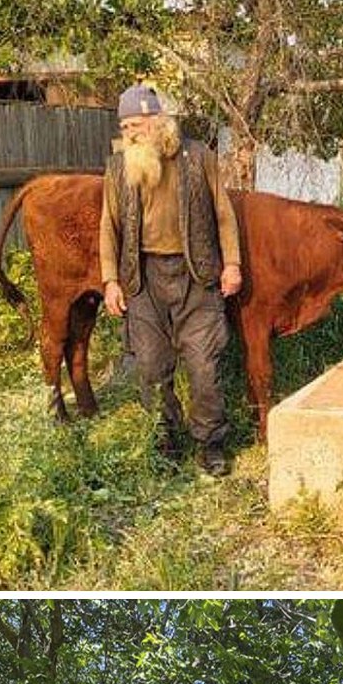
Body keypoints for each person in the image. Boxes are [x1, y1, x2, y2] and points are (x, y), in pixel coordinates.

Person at [99, 82, 244, 476]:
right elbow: (108, 228)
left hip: (196, 275)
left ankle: (210, 443)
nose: (129, 133)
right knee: (150, 366)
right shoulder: (119, 167)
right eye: (124, 126)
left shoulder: (198, 158)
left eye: (136, 125)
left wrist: (232, 263)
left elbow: (224, 214)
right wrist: (111, 281)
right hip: (143, 280)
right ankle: (164, 440)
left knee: (203, 366)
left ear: (157, 121)